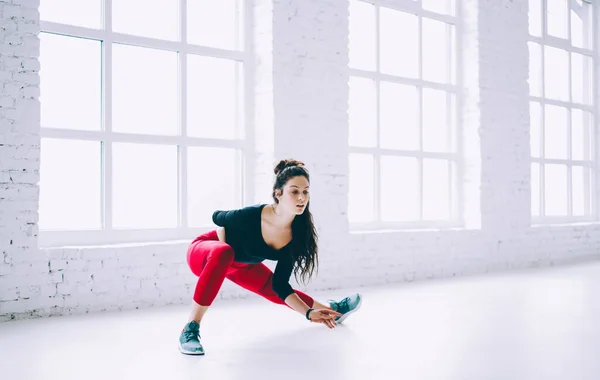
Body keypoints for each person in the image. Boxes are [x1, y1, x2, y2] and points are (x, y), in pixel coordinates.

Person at [178, 159, 362, 355]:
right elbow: (217, 216)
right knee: (225, 252)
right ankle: (190, 329)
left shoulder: (297, 235)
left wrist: (309, 314)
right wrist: (232, 226)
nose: (301, 197)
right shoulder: (253, 215)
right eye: (294, 191)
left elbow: (281, 286)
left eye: (305, 191)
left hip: (242, 265)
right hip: (207, 254)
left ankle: (332, 311)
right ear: (278, 194)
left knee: (272, 287)